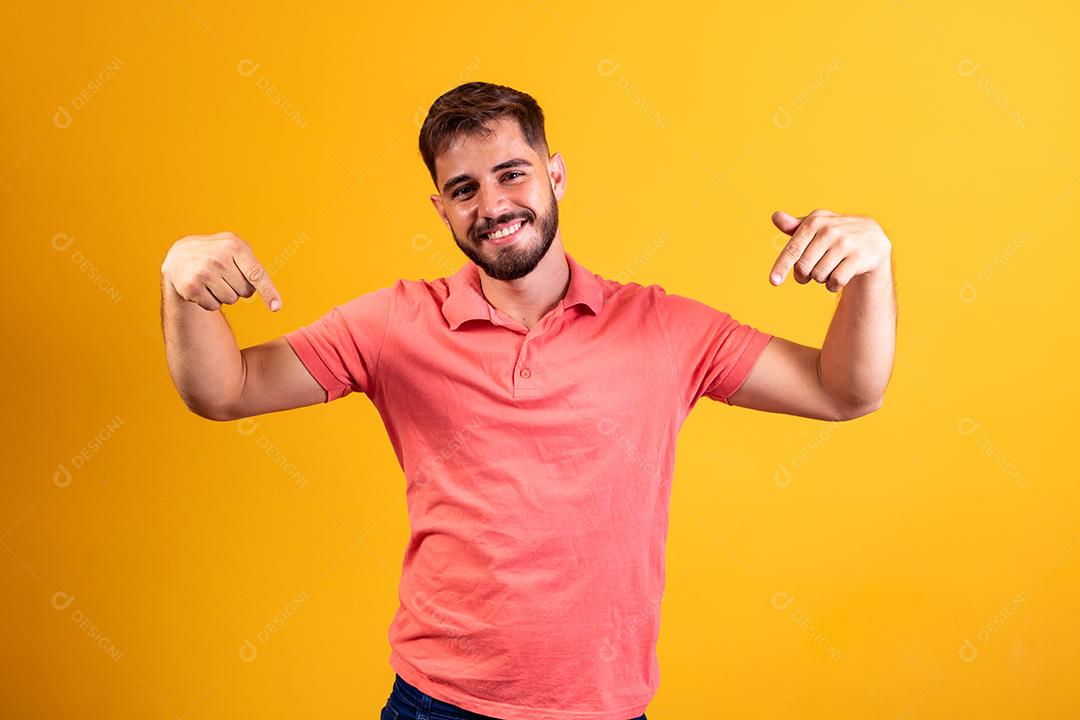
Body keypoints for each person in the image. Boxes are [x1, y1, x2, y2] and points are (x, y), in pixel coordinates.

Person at [160, 81, 896, 720]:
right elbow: (227, 391)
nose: (492, 204)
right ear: (441, 208)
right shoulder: (393, 323)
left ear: (556, 174)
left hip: (603, 708)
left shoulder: (663, 327)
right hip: (435, 706)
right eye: (464, 189)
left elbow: (842, 391)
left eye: (511, 174)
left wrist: (872, 270)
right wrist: (181, 282)